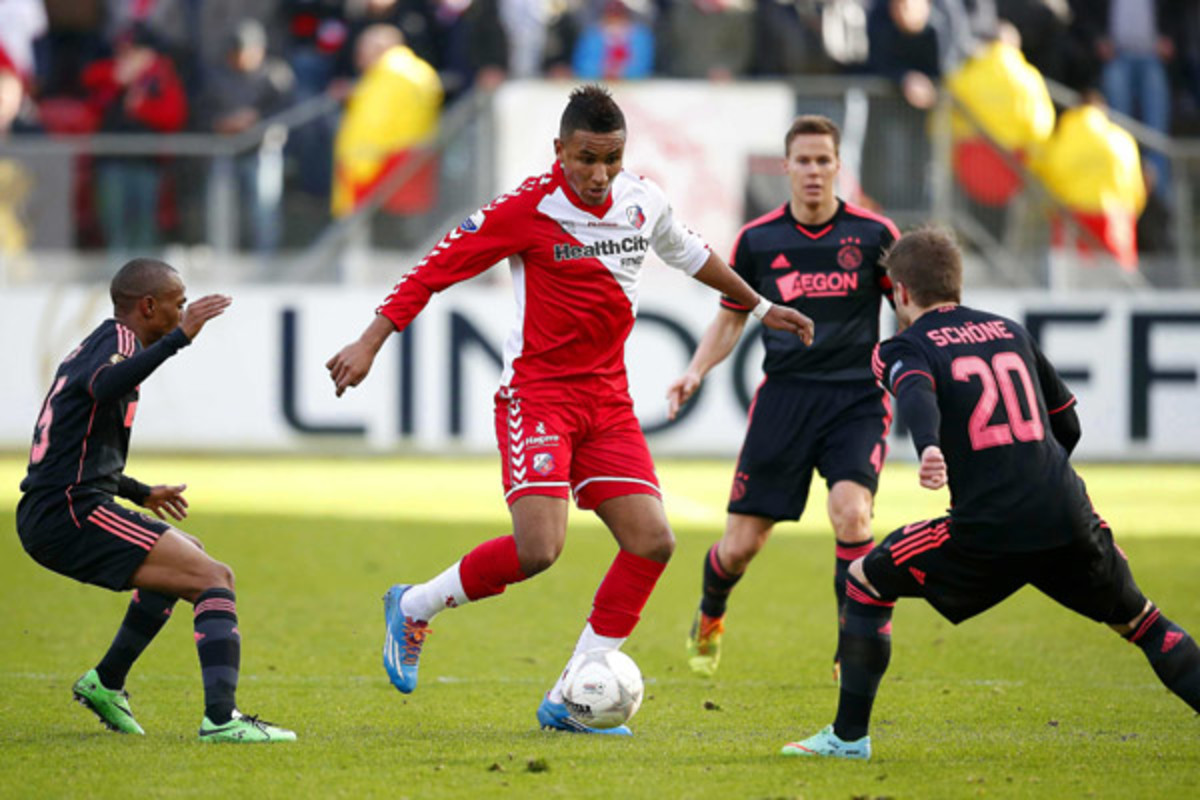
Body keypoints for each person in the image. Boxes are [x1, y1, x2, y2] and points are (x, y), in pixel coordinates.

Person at [325, 84, 814, 735]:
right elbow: (435, 268)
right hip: (538, 396)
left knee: (652, 542)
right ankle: (414, 606)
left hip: (607, 402)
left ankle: (570, 693)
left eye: (611, 158)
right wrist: (370, 339)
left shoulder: (643, 201)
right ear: (560, 149)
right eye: (586, 157)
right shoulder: (528, 208)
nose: (598, 173)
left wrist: (759, 307)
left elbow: (696, 256)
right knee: (539, 549)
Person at [782, 228, 1200, 760]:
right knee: (1143, 622)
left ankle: (847, 739)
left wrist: (928, 445)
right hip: (1065, 513)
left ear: (901, 292)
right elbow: (1066, 425)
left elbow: (913, 387)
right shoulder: (1010, 332)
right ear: (956, 283)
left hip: (988, 528)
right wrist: (1033, 480)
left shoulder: (902, 346)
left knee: (865, 580)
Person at [16, 258, 295, 744]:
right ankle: (221, 720)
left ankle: (105, 682)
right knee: (214, 577)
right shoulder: (120, 344)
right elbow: (105, 387)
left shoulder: (104, 344)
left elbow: (76, 447)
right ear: (148, 306)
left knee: (190, 556)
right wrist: (179, 338)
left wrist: (142, 493)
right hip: (69, 512)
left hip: (61, 505)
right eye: (178, 304)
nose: (184, 311)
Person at [667, 114, 898, 679]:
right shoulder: (758, 240)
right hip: (785, 401)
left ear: (839, 167)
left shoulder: (875, 235)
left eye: (824, 161)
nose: (814, 171)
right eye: (804, 161)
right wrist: (696, 370)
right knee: (740, 547)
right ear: (786, 167)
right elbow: (730, 320)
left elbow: (909, 310)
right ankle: (711, 612)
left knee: (851, 513)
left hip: (856, 398)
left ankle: (853, 643)